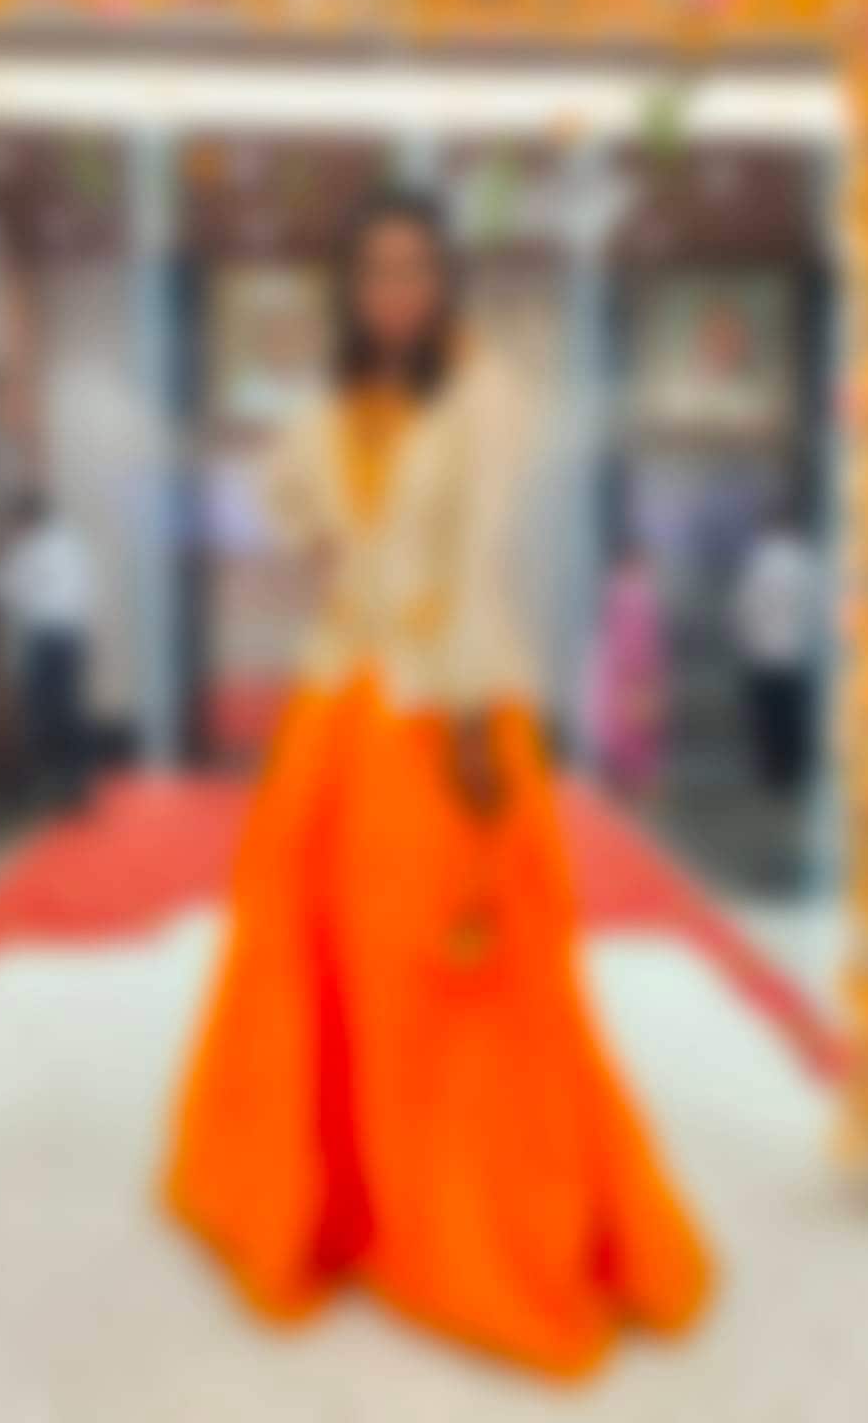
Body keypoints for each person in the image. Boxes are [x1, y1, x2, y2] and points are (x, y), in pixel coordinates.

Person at [162, 190, 712, 1375]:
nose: (395, 290)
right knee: (315, 948)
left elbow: (472, 562)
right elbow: (286, 500)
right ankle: (336, 1202)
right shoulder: (326, 412)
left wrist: (468, 718)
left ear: (444, 279)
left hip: (445, 709)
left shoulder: (483, 396)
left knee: (445, 964)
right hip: (336, 704)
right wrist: (332, 559)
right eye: (374, 269)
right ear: (349, 288)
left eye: (415, 267)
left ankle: (458, 1217)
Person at [0, 490, 96, 810]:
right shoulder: (70, 543)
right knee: (68, 709)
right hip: (73, 634)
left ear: (25, 519)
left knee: (44, 712)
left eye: (14, 521)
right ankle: (74, 783)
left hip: (46, 637)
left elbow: (6, 589)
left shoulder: (30, 548)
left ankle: (50, 784)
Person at [733, 501, 817, 797]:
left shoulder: (757, 563)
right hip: (796, 654)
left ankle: (771, 774)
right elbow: (816, 607)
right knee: (792, 718)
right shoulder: (804, 562)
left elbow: (744, 608)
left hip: (763, 653)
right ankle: (792, 774)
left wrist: (746, 641)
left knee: (767, 719)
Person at [592, 536, 668, 802]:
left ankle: (626, 783)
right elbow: (642, 641)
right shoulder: (638, 595)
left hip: (618, 673)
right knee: (638, 731)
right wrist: (646, 675)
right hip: (635, 674)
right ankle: (635, 786)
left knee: (626, 731)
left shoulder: (615, 592)